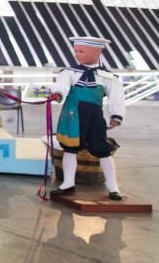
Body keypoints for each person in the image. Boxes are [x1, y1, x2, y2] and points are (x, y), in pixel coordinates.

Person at [51, 36, 124, 201]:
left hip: (95, 117)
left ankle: (113, 188)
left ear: (97, 52)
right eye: (76, 51)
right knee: (70, 149)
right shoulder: (69, 72)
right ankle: (68, 184)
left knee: (103, 150)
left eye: (81, 51)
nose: (77, 54)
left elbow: (116, 97)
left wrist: (116, 115)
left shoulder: (108, 77)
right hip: (72, 116)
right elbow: (62, 85)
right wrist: (58, 93)